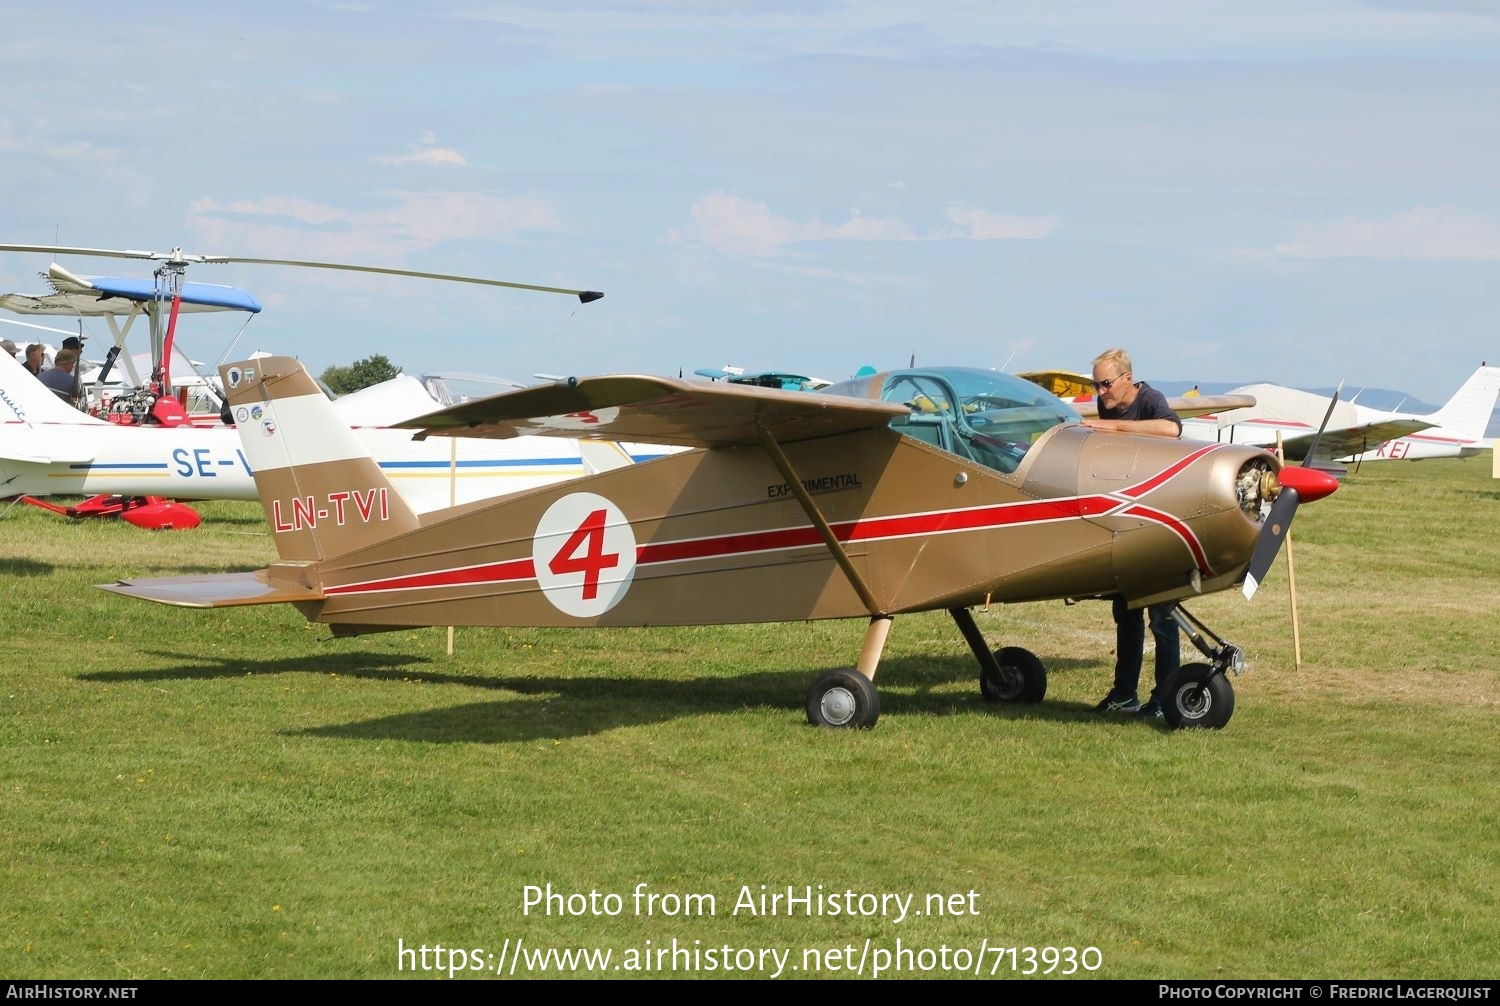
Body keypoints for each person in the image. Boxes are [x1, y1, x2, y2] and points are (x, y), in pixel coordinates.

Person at [1082, 347, 1183, 720]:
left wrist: (1114, 426)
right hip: (1124, 521)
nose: (1100, 392)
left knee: (1162, 615)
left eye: (1105, 383)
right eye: (1095, 384)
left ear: (1127, 378)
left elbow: (1172, 429)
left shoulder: (1150, 400)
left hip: (1157, 523)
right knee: (1125, 612)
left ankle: (1165, 698)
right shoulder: (1107, 403)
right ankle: (1125, 694)